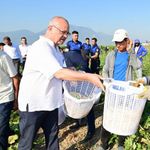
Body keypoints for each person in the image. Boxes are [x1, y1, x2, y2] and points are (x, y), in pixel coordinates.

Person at [17, 16, 104, 150]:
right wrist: (89, 77)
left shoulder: (56, 49)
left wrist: (71, 71)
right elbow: (58, 73)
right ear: (50, 28)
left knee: (52, 139)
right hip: (34, 105)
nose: (65, 36)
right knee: (27, 143)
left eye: (66, 33)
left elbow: (56, 70)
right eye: (62, 32)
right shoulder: (41, 47)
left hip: (50, 103)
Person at [97, 29, 142, 150]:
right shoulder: (111, 55)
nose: (118, 45)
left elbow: (138, 65)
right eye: (116, 42)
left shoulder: (130, 55)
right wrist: (107, 82)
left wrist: (131, 50)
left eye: (121, 42)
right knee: (108, 116)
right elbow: (105, 70)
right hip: (112, 91)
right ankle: (103, 143)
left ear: (127, 41)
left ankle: (120, 143)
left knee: (123, 116)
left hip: (125, 92)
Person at [0, 48, 20, 150]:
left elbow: (15, 77)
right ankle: (10, 131)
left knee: (1, 130)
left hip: (4, 97)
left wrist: (16, 98)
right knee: (3, 126)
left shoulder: (3, 57)